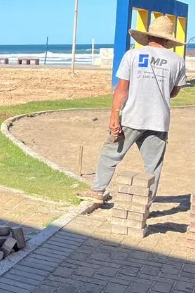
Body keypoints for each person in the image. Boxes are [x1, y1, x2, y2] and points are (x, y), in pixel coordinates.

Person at [77, 15, 187, 203]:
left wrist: (114, 116)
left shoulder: (132, 55)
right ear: (167, 39)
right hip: (159, 120)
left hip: (132, 116)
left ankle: (98, 190)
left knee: (110, 154)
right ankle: (146, 204)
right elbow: (174, 92)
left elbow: (122, 89)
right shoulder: (177, 61)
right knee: (153, 166)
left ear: (148, 36)